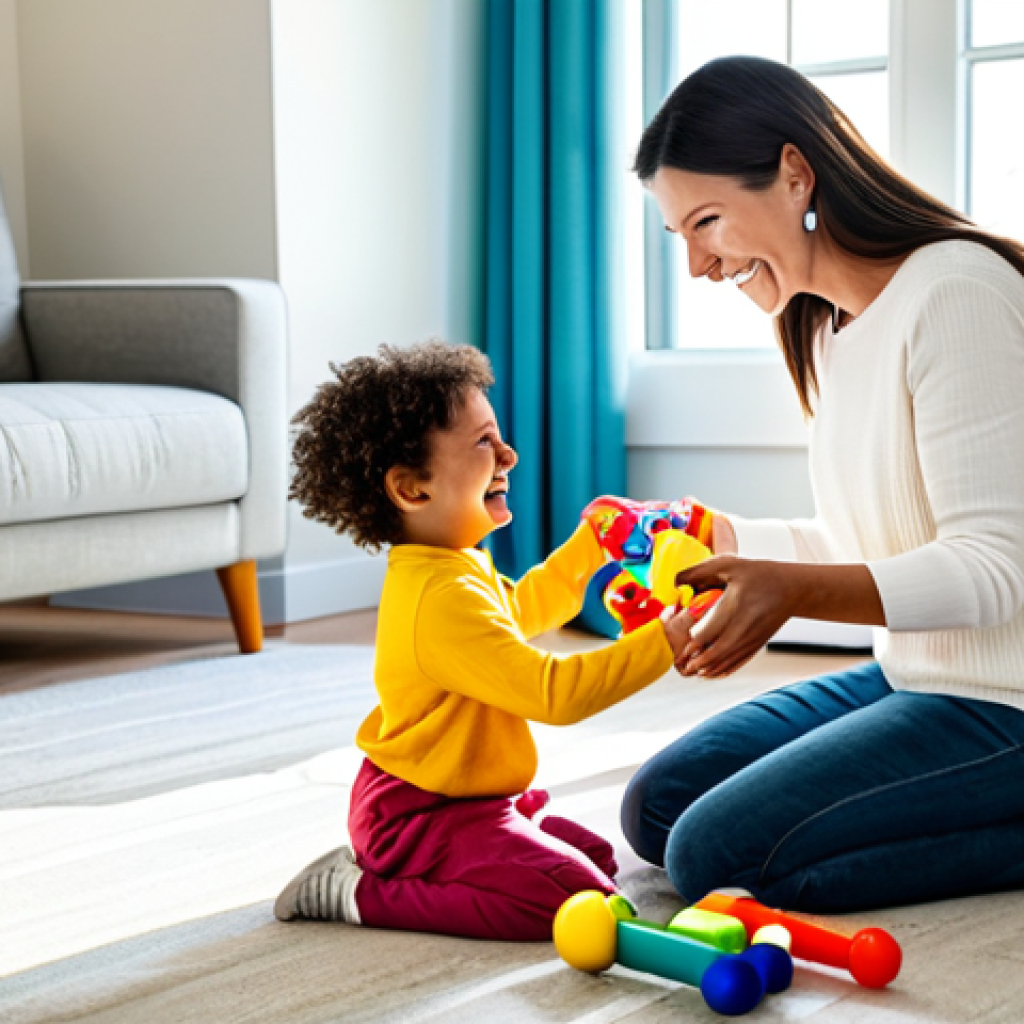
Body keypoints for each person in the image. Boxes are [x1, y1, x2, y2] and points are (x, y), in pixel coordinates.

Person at [621, 55, 1024, 914]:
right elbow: (869, 544)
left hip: (1007, 698)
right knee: (656, 807)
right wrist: (712, 536)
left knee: (713, 854)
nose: (696, 265)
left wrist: (789, 591)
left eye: (709, 222)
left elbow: (994, 568)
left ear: (795, 173)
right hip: (915, 673)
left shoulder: (956, 292)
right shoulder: (827, 325)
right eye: (678, 237)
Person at [273, 341, 695, 940]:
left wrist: (591, 546)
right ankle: (360, 891)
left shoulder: (450, 564)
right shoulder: (439, 596)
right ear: (412, 489)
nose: (509, 455)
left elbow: (519, 610)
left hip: (473, 799)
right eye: (483, 443)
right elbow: (554, 694)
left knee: (596, 859)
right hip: (417, 813)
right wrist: (663, 641)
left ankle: (482, 847)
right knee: (573, 899)